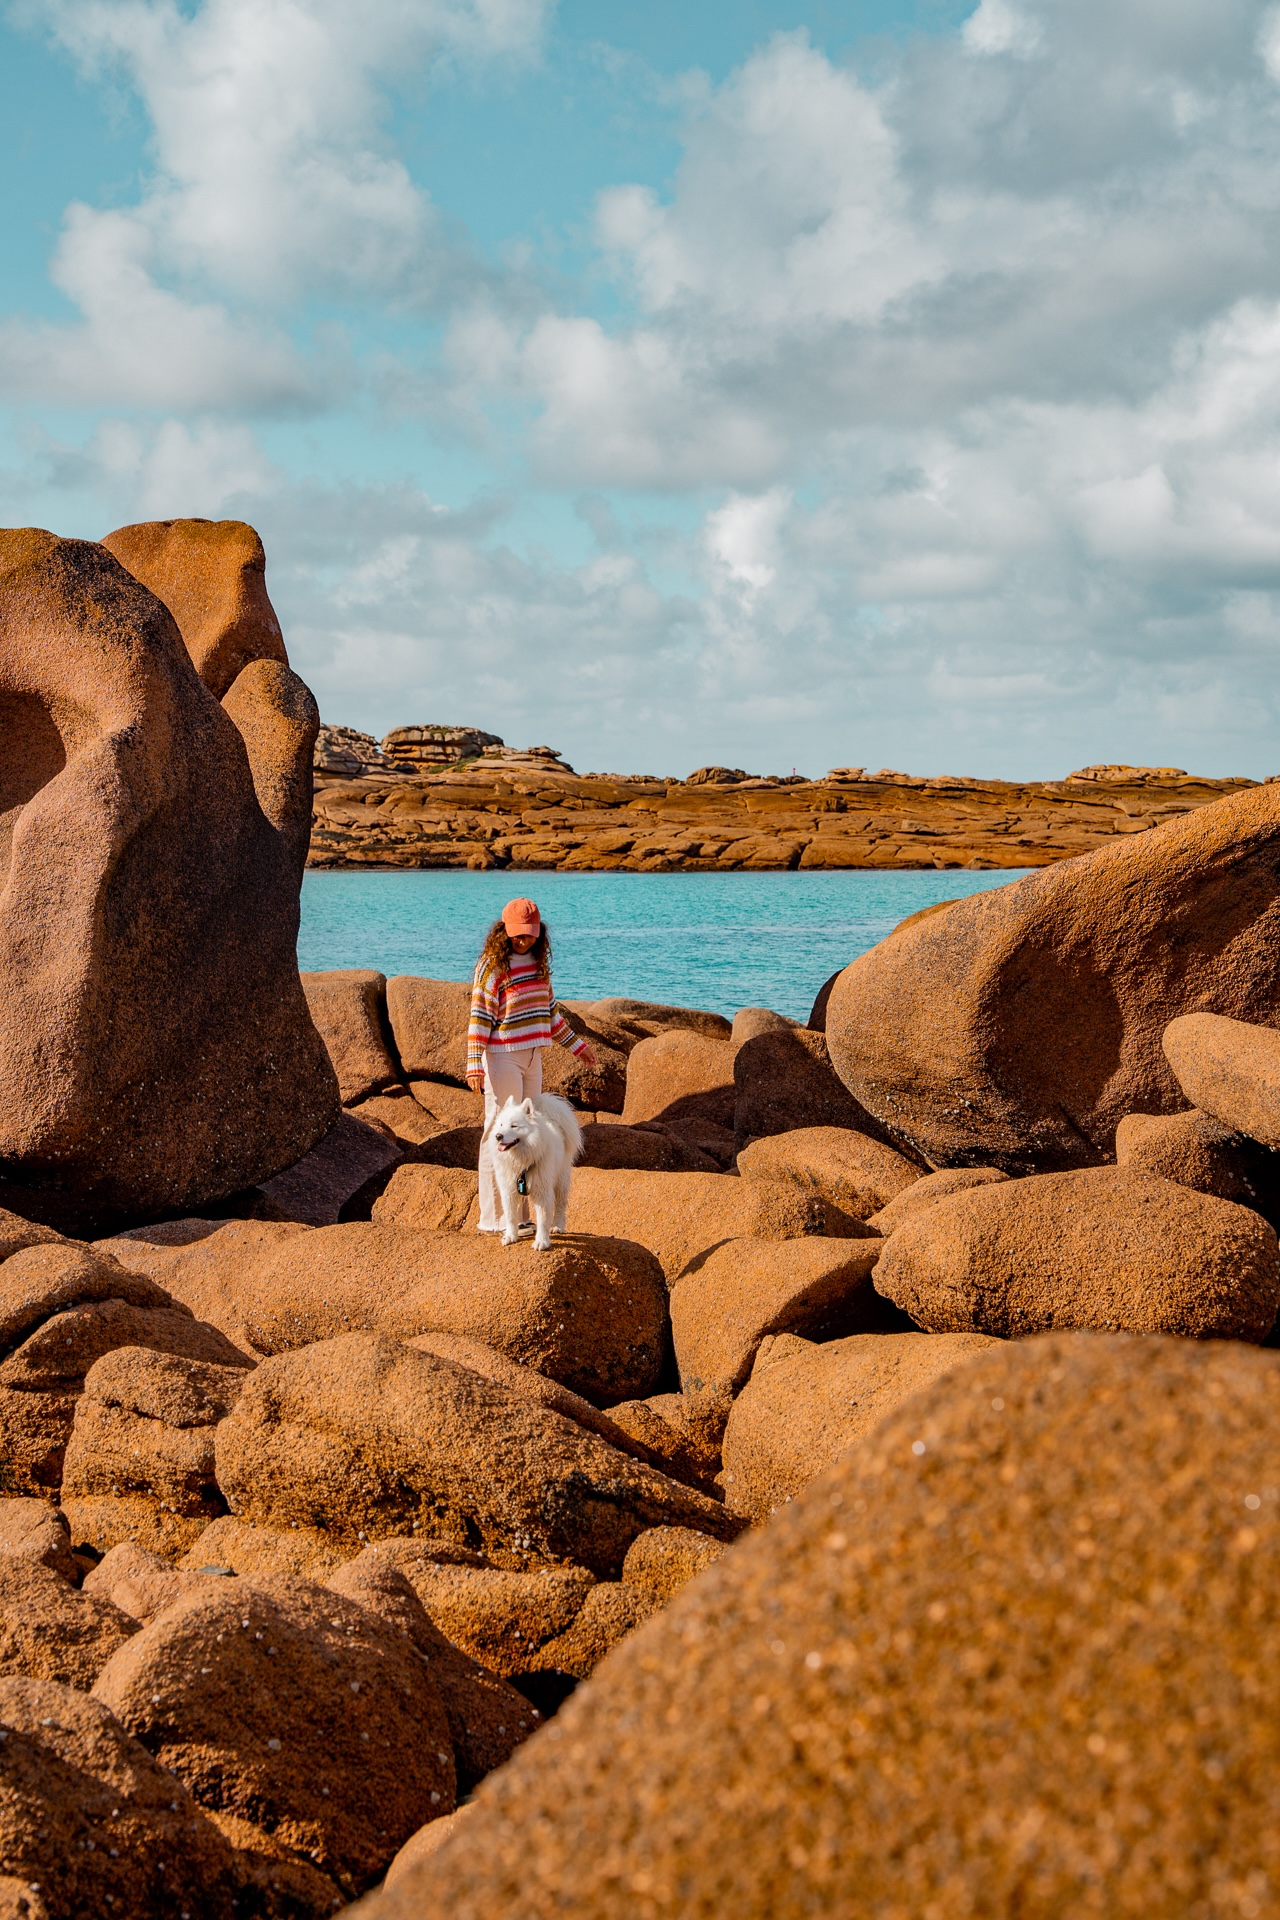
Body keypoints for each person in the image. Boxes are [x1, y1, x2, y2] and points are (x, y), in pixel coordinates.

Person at [467, 897, 596, 1234]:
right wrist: (473, 1064)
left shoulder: (538, 964)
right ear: (505, 931)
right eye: (518, 935)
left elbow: (550, 1013)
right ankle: (495, 1218)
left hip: (532, 1055)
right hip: (502, 1055)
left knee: (528, 1131)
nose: (524, 940)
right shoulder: (492, 966)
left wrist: (578, 1047)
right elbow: (480, 1016)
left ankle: (522, 1217)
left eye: (530, 934)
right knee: (497, 1130)